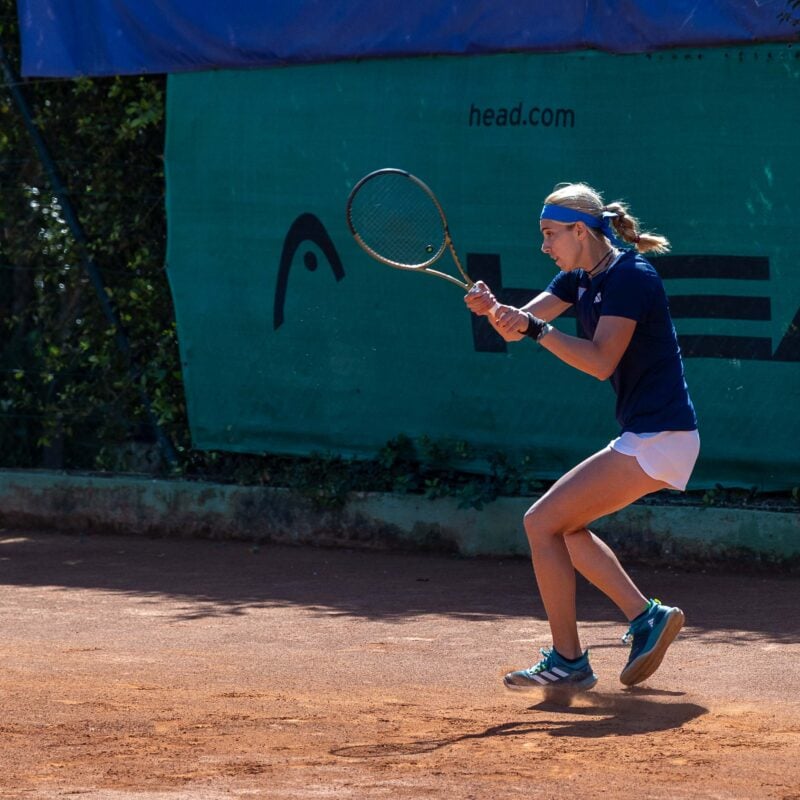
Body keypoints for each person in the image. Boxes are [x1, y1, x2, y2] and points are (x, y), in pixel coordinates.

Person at [465, 182, 699, 693]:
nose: (545, 245)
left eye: (551, 234)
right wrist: (494, 310)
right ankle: (647, 617)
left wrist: (532, 330)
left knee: (540, 522)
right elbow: (522, 325)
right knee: (565, 530)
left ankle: (569, 659)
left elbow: (598, 362)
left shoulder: (631, 277)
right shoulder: (580, 277)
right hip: (651, 434)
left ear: (580, 230)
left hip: (661, 435)